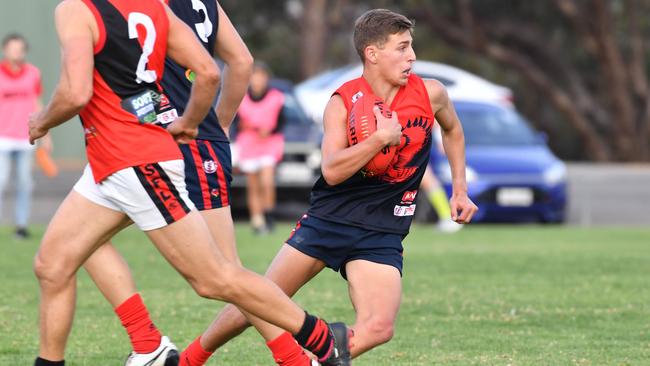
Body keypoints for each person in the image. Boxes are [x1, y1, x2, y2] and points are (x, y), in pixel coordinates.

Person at [28, 1, 348, 365]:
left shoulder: (76, 9)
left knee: (215, 278)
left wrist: (41, 121)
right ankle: (142, 345)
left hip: (137, 162)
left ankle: (322, 338)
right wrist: (192, 122)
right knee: (52, 264)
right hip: (114, 161)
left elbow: (74, 93)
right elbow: (209, 72)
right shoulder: (154, 8)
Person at [174, 8, 479, 366]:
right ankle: (190, 359)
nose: (411, 56)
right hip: (328, 221)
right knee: (254, 305)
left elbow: (453, 130)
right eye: (402, 47)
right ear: (372, 53)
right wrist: (378, 140)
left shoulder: (432, 93)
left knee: (379, 327)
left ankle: (306, 362)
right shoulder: (342, 102)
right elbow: (332, 171)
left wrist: (459, 187)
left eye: (411, 46)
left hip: (382, 229)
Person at [0, 33, 51, 239]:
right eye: (12, 48)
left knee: (24, 183)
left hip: (25, 137)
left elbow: (37, 102)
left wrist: (45, 134)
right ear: (5, 50)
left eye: (20, 48)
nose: (16, 52)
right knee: (1, 181)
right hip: (2, 136)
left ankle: (21, 226)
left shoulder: (33, 73)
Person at [235, 61, 285, 234]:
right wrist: (246, 127)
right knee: (253, 185)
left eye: (261, 77)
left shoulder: (276, 97)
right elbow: (235, 123)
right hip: (249, 144)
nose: (258, 81)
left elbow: (281, 122)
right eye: (254, 77)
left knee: (267, 181)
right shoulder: (241, 98)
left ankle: (269, 215)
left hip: (269, 144)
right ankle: (257, 221)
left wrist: (269, 130)